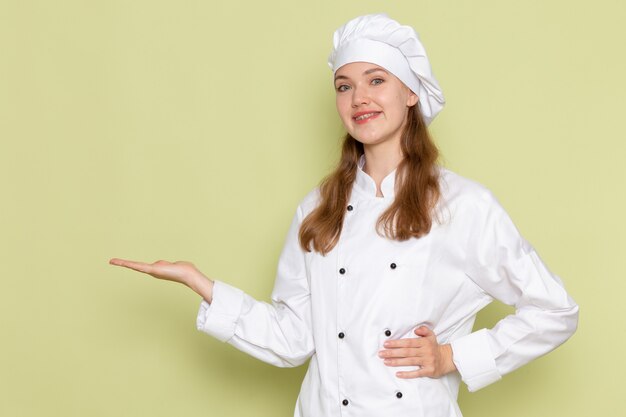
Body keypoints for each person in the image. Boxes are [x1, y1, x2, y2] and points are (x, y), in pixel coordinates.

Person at [109, 13, 578, 417]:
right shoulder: (318, 207)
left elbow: (554, 310)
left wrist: (453, 356)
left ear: (410, 93)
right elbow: (294, 340)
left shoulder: (463, 206)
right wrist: (203, 286)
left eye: (377, 80)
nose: (359, 99)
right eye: (344, 86)